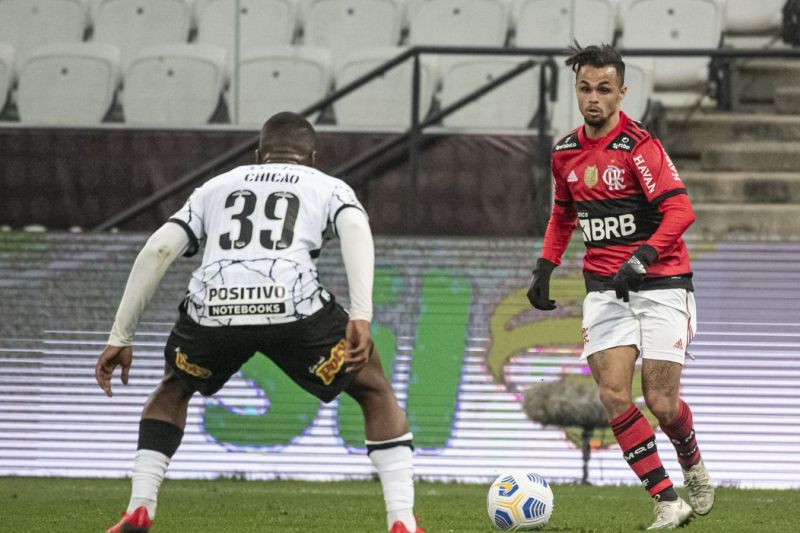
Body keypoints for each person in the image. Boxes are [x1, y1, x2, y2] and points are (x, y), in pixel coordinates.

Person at [96, 112, 424, 533]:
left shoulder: (215, 188)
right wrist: (361, 314)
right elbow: (356, 228)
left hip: (213, 308)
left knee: (173, 388)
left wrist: (121, 336)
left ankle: (139, 508)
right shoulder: (327, 186)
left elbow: (157, 249)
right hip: (294, 306)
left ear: (258, 155)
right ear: (311, 157)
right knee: (374, 389)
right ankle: (401, 521)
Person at [527, 44, 714, 530]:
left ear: (621, 92)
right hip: (604, 290)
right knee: (614, 395)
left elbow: (680, 211)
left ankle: (691, 462)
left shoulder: (639, 146)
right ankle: (666, 501)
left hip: (662, 283)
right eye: (585, 88)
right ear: (577, 90)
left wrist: (643, 256)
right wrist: (544, 267)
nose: (593, 98)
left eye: (604, 89)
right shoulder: (565, 152)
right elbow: (564, 215)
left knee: (662, 404)